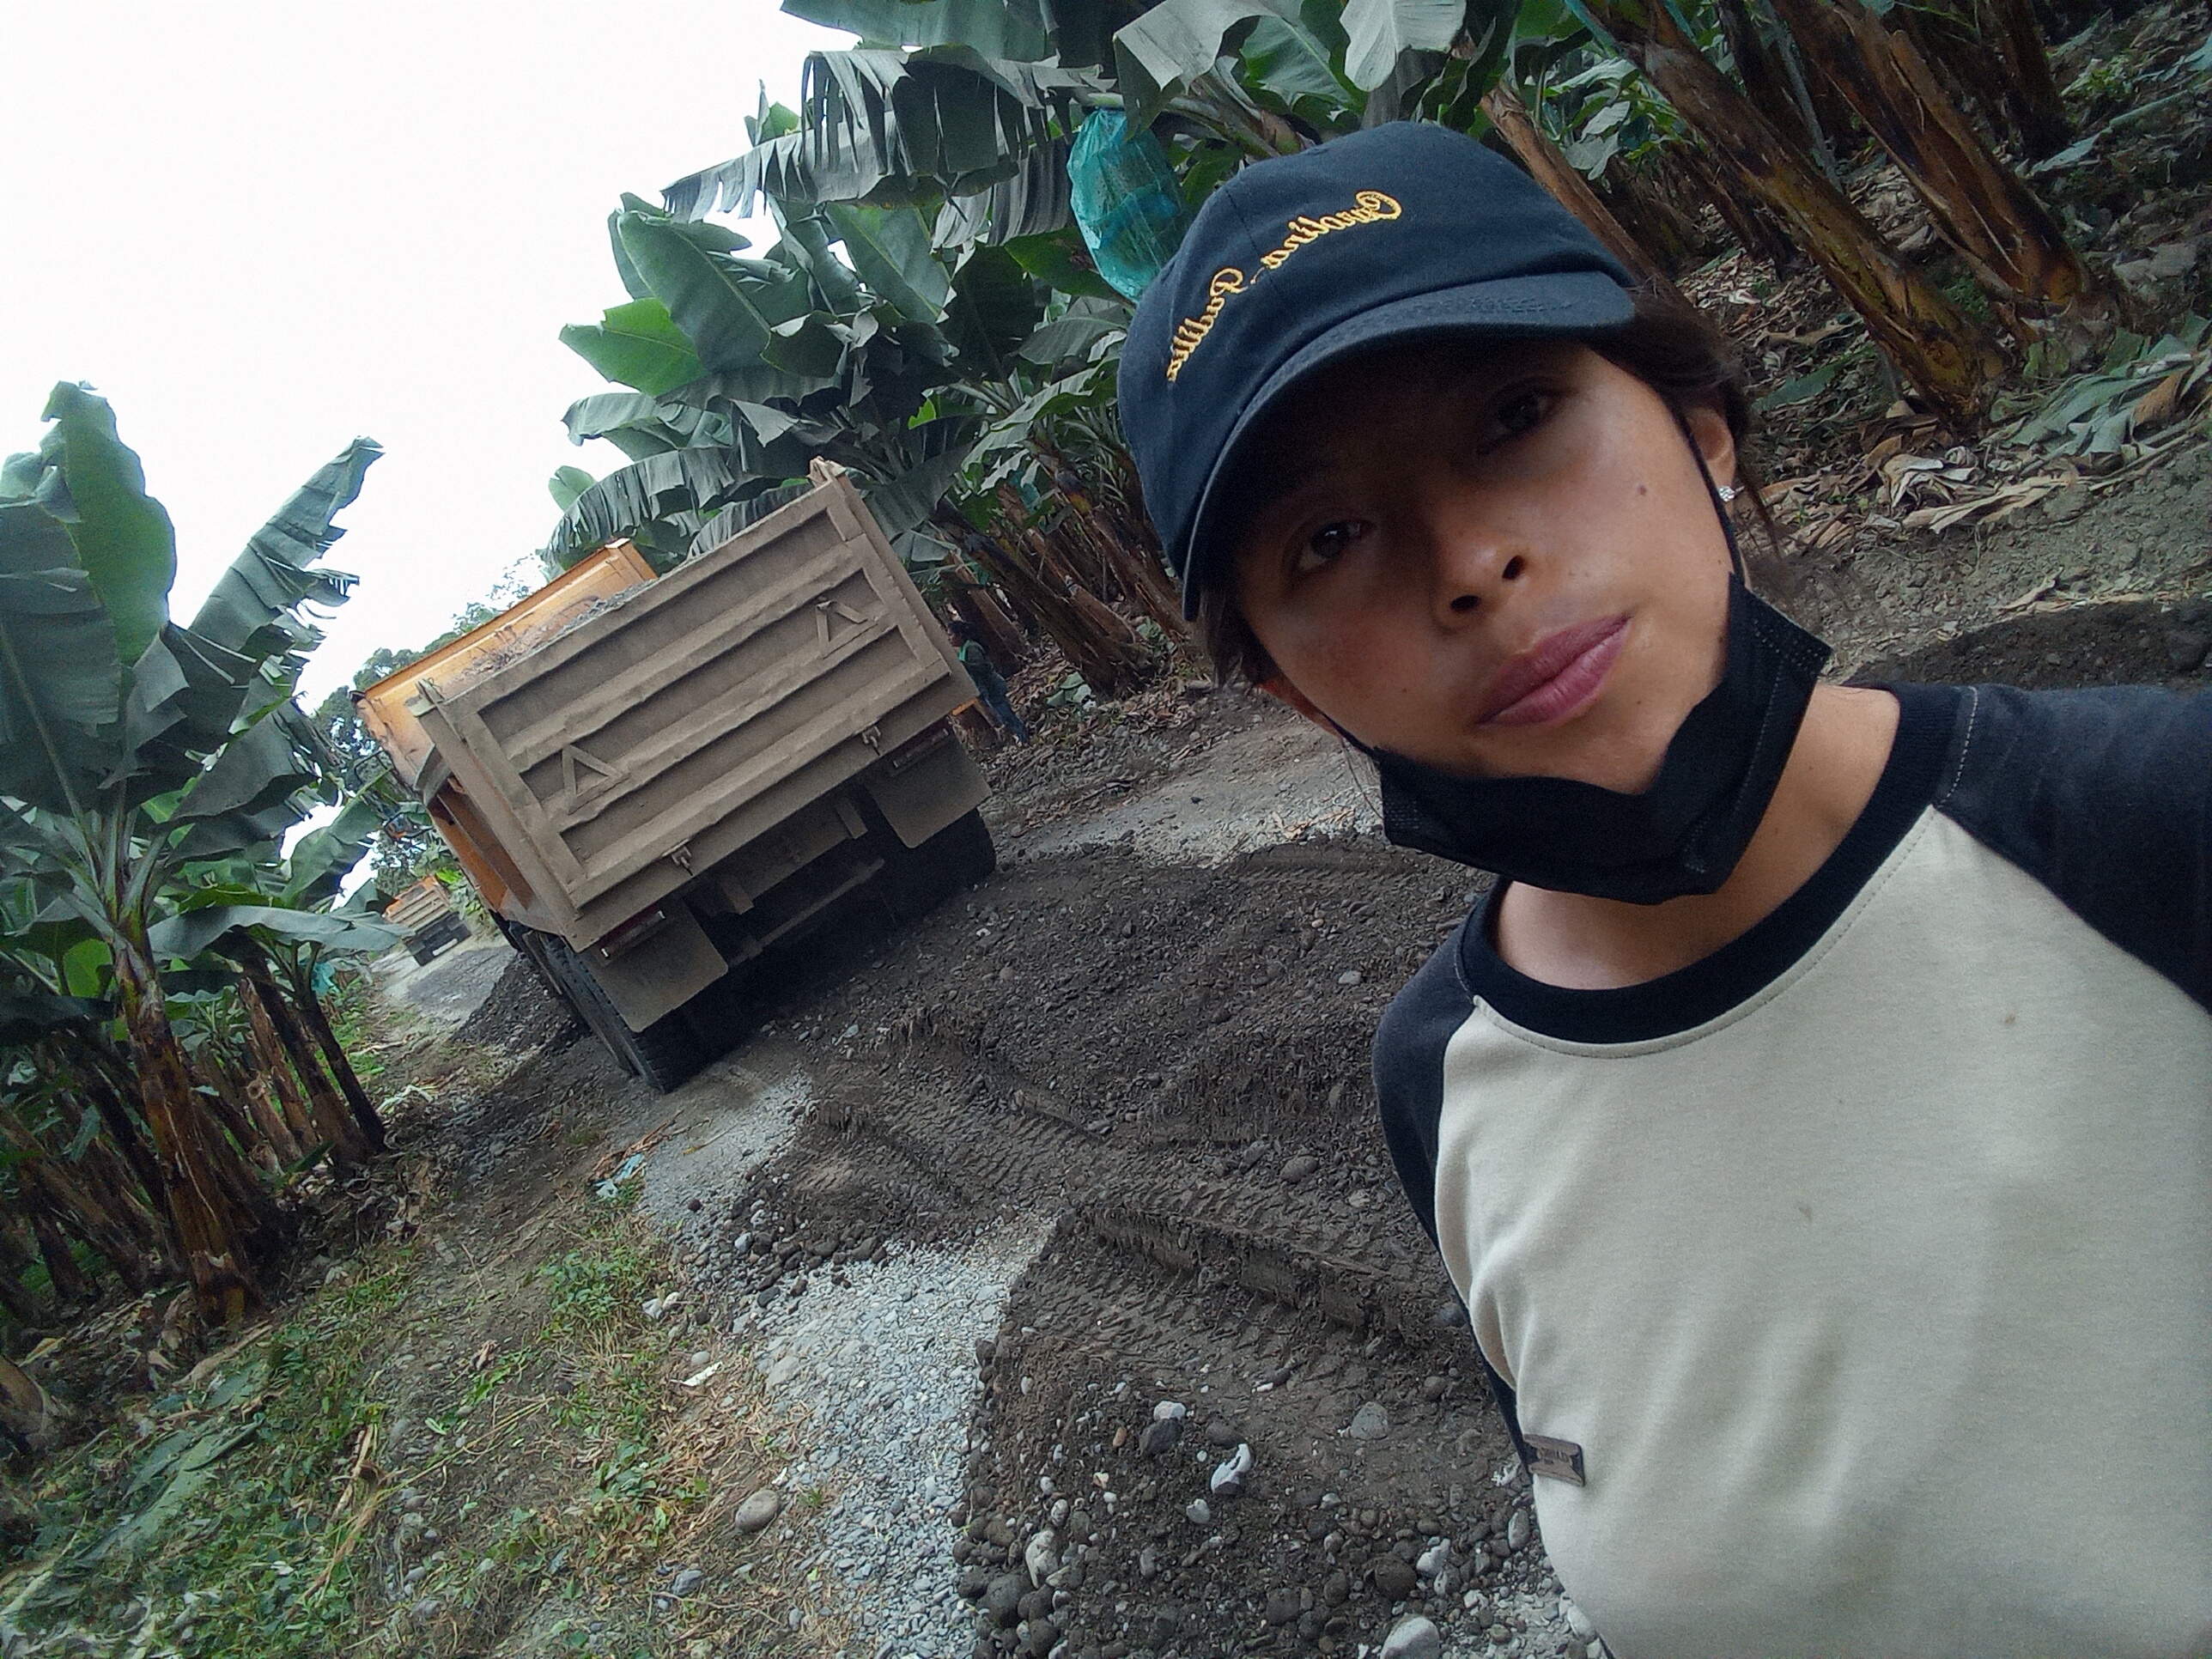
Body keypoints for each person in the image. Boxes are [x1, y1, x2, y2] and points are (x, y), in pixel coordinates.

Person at [1120, 121, 2210, 1656]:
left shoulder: (2146, 822)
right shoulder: (1441, 1081)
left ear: (1702, 430)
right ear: (1297, 693)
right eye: (1331, 537)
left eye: (1514, 415)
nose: (1470, 562)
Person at [950, 618, 1030, 744]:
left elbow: (982, 667)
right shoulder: (964, 650)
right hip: (986, 688)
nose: (950, 638)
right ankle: (1019, 736)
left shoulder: (972, 648)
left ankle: (1023, 735)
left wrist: (963, 665)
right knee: (1001, 714)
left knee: (1006, 714)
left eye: (951, 634)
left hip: (992, 686)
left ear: (959, 635)